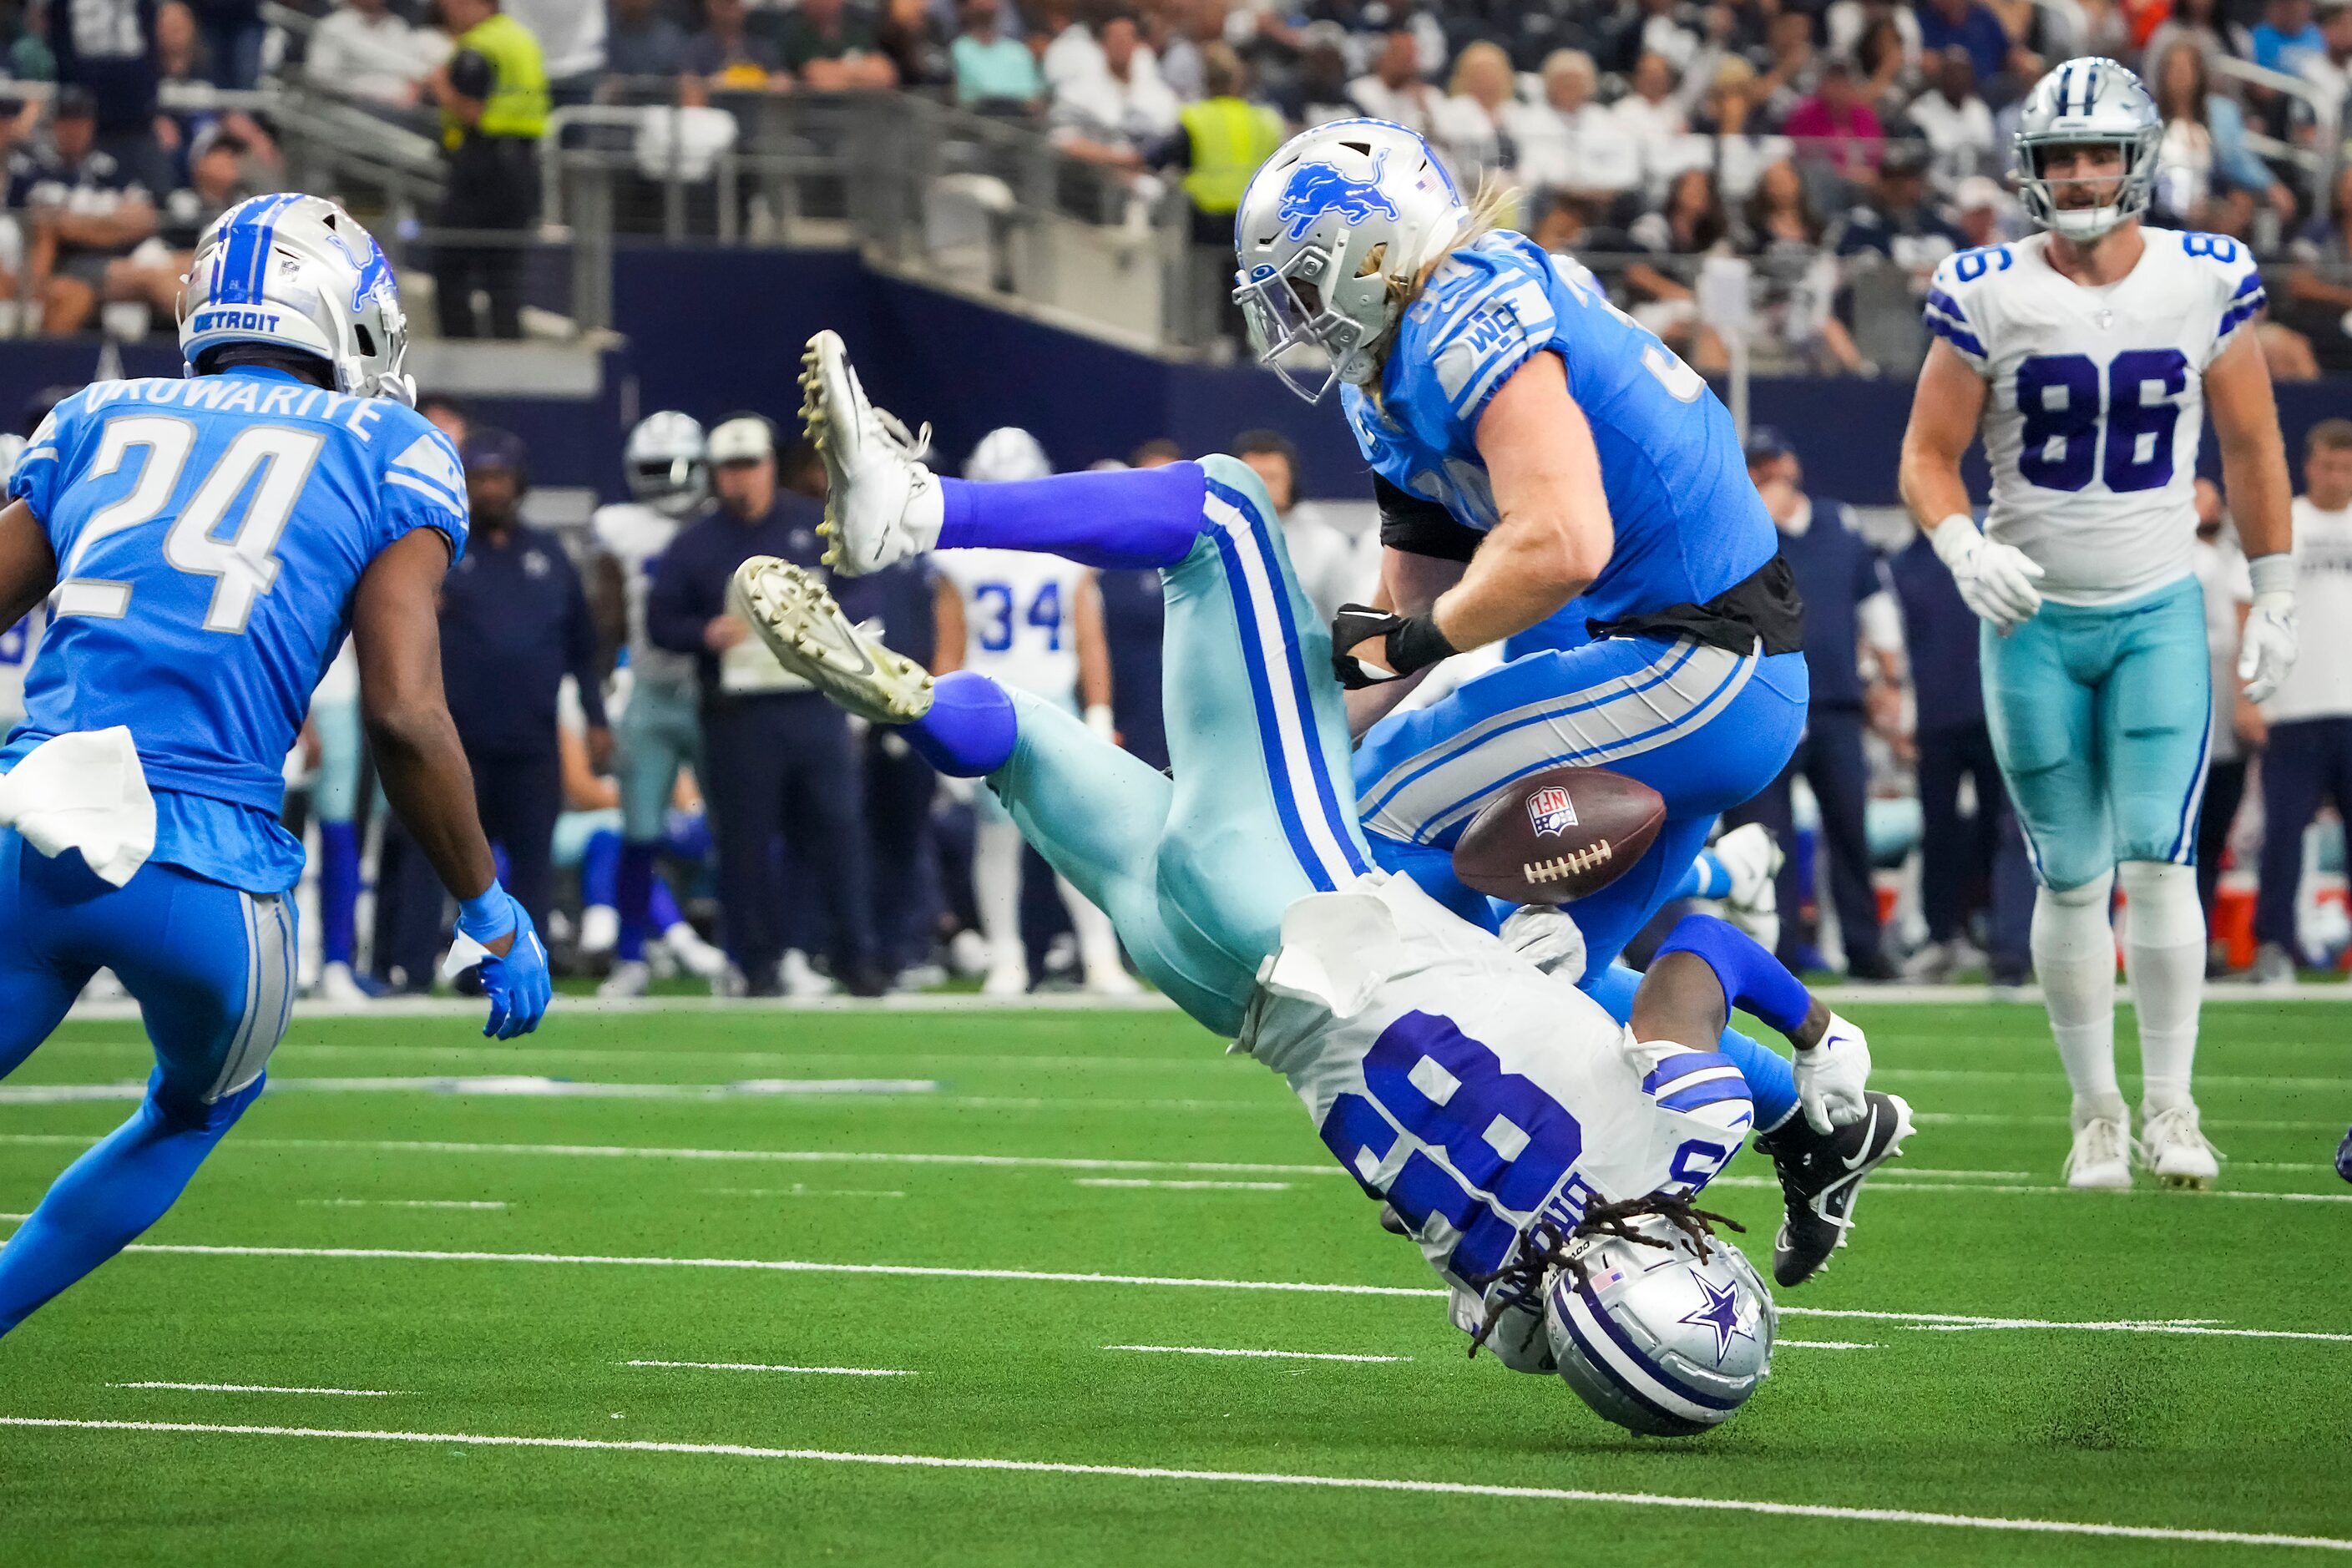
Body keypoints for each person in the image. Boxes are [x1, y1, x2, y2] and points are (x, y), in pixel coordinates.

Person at [731, 438, 1909, 1391]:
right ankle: (920, 698)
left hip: (1298, 893)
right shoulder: (1509, 1315)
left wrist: (1816, 1037)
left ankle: (924, 503)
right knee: (1024, 741)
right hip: (1217, 987)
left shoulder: (1677, 1144)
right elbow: (1537, 1059)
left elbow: (1695, 969)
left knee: (1230, 516)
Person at [0, 195, 549, 1337]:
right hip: (206, 870)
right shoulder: (389, 445)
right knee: (196, 1106)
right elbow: (405, 712)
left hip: (31, 826)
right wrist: (487, 904)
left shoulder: (98, 412)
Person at [1896, 58, 2298, 1191]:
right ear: (2029, 169)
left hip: (2159, 605)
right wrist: (1962, 543)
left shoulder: (2203, 275)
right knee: (2069, 875)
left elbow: (2255, 446)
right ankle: (2096, 1113)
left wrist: (2271, 588)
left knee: (2162, 862)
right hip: (2033, 620)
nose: (2079, 175)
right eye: (2060, 156)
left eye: (2098, 154)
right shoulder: (1985, 287)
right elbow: (1927, 456)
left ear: (2139, 161)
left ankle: (2171, 1105)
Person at [646, 413, 885, 997]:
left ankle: (855, 955)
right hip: (739, 714)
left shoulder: (811, 526)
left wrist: (834, 625)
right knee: (745, 842)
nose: (739, 478)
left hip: (812, 702)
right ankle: (754, 963)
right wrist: (705, 633)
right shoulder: (696, 544)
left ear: (770, 465)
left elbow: (863, 586)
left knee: (839, 831)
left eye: (749, 464)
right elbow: (661, 620)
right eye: (728, 468)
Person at [387, 428, 609, 966]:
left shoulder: (550, 555)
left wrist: (598, 719)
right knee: (437, 854)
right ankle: (412, 969)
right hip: (453, 742)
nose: (490, 489)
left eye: (499, 478)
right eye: (480, 478)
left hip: (533, 740)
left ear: (519, 484)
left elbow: (582, 645)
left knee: (533, 861)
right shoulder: (440, 550)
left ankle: (518, 966)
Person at [932, 427, 1131, 997]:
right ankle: (1008, 959)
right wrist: (941, 723)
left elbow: (1089, 639)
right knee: (998, 842)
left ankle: (1099, 957)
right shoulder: (959, 559)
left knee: (1078, 837)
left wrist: (1097, 710)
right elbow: (948, 648)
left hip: (1054, 701)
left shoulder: (1064, 550)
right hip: (985, 705)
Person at [1726, 428, 1903, 980]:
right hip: (1762, 705)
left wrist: (1887, 677)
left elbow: (1871, 602)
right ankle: (1771, 956)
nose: (1766, 477)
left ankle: (1863, 947)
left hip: (1833, 701)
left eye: (1770, 465)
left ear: (1788, 466)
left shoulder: (1836, 524)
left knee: (1850, 827)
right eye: (1757, 469)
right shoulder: (1739, 529)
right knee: (1763, 835)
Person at [592, 411, 720, 999]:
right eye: (655, 468)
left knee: (735, 829)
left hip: (716, 693)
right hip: (647, 687)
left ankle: (745, 950)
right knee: (638, 828)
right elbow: (609, 613)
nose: (668, 479)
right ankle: (630, 955)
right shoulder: (618, 527)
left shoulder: (723, 524)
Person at [1888, 524, 2034, 986]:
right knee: (1938, 831)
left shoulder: (1988, 550)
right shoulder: (1900, 563)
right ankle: (1941, 934)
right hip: (1933, 717)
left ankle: (1999, 929)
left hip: (1993, 711)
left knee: (2003, 828)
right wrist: (1902, 713)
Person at [2248, 421, 2352, 983]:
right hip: (2293, 708)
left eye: (2345, 465)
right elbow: (2248, 603)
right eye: (2327, 465)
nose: (2336, 476)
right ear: (2308, 466)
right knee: (2282, 836)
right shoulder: (2281, 521)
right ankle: (2273, 946)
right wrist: (2251, 697)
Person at [427, 0, 549, 340]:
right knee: (504, 271)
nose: (448, 9)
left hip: (485, 163)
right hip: (524, 162)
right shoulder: (522, 39)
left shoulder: (478, 45)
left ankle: (459, 349)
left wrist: (441, 87)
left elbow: (472, 110)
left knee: (450, 261)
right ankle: (507, 351)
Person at [12, 87, 157, 336]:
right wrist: (110, 224)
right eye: (66, 121)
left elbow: (147, 219)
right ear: (54, 124)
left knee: (176, 273)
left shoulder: (111, 168)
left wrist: (81, 228)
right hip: (58, 267)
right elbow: (47, 226)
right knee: (80, 295)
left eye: (81, 121)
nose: (74, 129)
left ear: (91, 124)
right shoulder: (32, 170)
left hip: (115, 261)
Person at [2189, 478, 2257, 951]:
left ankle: (2201, 937)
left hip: (2227, 727)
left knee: (2212, 842)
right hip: (2178, 725)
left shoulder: (2233, 560)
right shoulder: (2185, 562)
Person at [1232, 428, 1373, 628]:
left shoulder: (1326, 545)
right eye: (1255, 477)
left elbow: (1350, 620)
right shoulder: (1220, 542)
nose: (1262, 487)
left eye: (1272, 477)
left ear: (1291, 479)